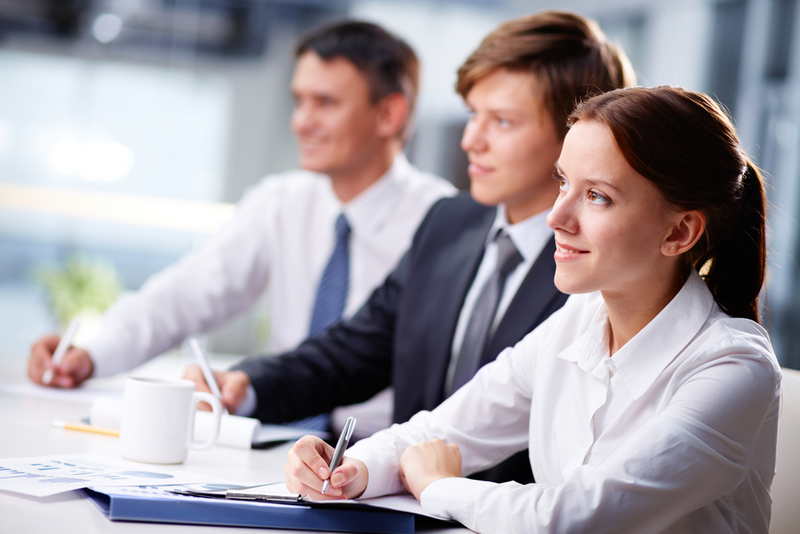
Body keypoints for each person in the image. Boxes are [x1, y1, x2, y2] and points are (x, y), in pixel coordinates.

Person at [286, 86, 781, 533]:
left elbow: (577, 519)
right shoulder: (576, 320)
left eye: (596, 196)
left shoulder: (732, 366)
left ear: (679, 232)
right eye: (563, 182)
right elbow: (439, 432)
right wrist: (350, 470)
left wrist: (439, 486)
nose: (556, 217)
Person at [190, 11, 634, 482]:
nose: (471, 141)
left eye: (502, 122)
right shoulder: (449, 222)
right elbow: (357, 349)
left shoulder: (602, 270)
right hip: (395, 500)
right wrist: (249, 384)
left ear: (577, 135)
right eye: (472, 116)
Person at [27, 21, 455, 388]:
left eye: (325, 103)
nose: (302, 121)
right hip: (278, 438)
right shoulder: (281, 202)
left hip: (382, 456)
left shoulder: (447, 224)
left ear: (389, 115)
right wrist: (89, 354)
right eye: (299, 100)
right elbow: (183, 296)